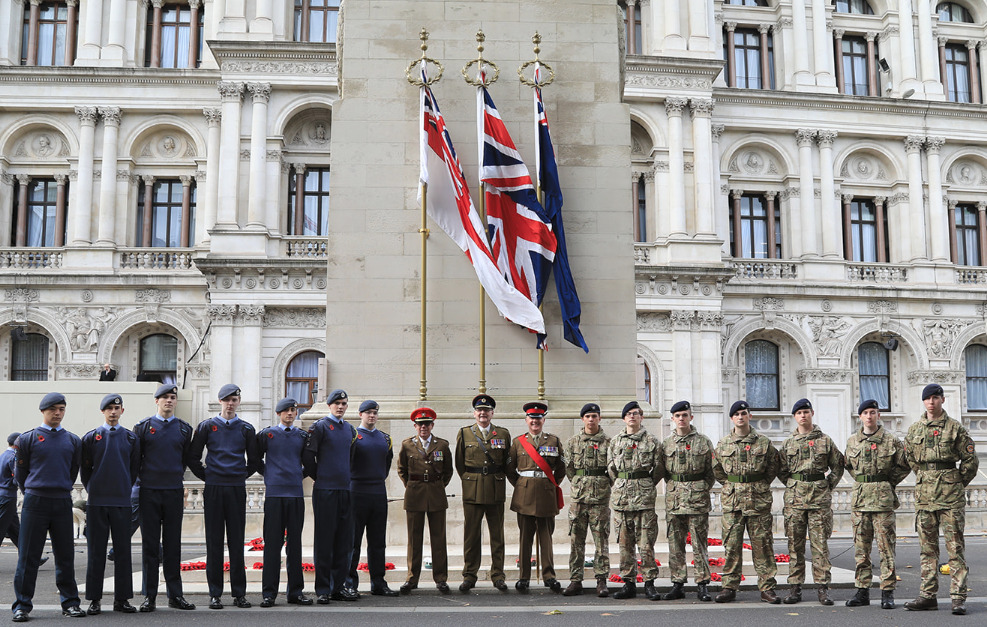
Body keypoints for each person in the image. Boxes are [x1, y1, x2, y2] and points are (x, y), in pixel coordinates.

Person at [903, 383, 979, 615]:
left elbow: (970, 461)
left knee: (955, 548)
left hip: (950, 499)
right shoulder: (915, 429)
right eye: (928, 398)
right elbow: (911, 459)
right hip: (925, 498)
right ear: (923, 402)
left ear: (942, 400)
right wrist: (927, 477)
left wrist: (955, 483)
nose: (931, 402)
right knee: (927, 550)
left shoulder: (955, 428)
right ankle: (928, 596)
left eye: (936, 398)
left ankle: (958, 597)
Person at [11, 392, 85, 622]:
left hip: (62, 501)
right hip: (35, 502)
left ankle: (70, 603)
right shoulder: (28, 439)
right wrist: (34, 491)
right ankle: (22, 605)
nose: (58, 413)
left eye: (61, 409)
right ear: (43, 411)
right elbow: (21, 475)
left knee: (65, 556)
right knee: (28, 556)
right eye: (53, 409)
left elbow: (72, 471)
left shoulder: (73, 440)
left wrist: (60, 488)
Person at [189, 384, 259, 610]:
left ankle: (239, 594)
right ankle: (215, 594)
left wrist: (239, 475)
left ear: (239, 402)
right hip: (214, 488)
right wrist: (209, 476)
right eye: (226, 399)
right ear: (220, 402)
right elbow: (193, 457)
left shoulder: (246, 429)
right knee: (214, 542)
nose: (230, 403)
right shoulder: (207, 427)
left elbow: (255, 460)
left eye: (234, 399)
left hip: (236, 488)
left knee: (237, 542)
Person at [133, 383, 196, 612]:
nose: (169, 400)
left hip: (173, 492)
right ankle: (149, 596)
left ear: (176, 401)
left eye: (172, 397)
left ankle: (175, 595)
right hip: (149, 492)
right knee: (150, 546)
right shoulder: (143, 427)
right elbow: (135, 460)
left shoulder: (184, 429)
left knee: (173, 546)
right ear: (156, 401)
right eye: (164, 397)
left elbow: (185, 460)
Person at [776, 398, 845, 605]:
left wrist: (827, 485)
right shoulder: (788, 443)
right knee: (794, 545)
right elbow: (781, 469)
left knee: (820, 545)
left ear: (812, 413)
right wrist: (793, 485)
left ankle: (823, 588)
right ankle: (795, 588)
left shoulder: (825, 440)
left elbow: (838, 465)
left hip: (819, 500)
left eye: (806, 412)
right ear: (795, 417)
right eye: (799, 413)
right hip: (795, 500)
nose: (803, 415)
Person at [712, 400, 781, 604]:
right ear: (732, 418)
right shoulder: (723, 444)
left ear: (750, 416)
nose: (740, 417)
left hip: (758, 501)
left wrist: (755, 484)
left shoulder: (763, 443)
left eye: (744, 413)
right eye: (736, 414)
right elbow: (717, 470)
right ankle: (729, 587)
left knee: (763, 545)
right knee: (732, 545)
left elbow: (772, 468)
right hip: (732, 502)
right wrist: (733, 485)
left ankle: (767, 588)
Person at [844, 399, 910, 610]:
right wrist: (864, 480)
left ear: (878, 415)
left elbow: (904, 465)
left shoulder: (891, 440)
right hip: (861, 501)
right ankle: (862, 591)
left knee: (886, 549)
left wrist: (887, 481)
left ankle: (887, 592)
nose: (870, 416)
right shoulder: (853, 441)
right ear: (860, 417)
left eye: (873, 412)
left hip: (882, 502)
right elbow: (849, 466)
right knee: (861, 550)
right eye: (866, 413)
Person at [80, 394, 141, 614]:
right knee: (96, 551)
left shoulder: (132, 439)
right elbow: (85, 470)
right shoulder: (90, 438)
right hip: (97, 502)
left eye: (117, 408)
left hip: (122, 502)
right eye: (109, 408)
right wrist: (94, 489)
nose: (113, 412)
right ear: (103, 412)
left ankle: (122, 599)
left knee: (123, 552)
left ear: (122, 411)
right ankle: (94, 599)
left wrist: (124, 488)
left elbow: (134, 469)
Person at [256, 398, 314, 607]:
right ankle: (269, 594)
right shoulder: (266, 435)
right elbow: (255, 459)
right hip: (274, 496)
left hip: (295, 496)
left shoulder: (301, 436)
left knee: (295, 545)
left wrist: (298, 476)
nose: (290, 414)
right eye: (287, 411)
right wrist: (270, 475)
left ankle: (295, 592)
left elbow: (309, 464)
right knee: (272, 545)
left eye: (293, 410)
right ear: (278, 413)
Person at [303, 389, 358, 604]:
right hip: (325, 490)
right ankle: (323, 589)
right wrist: (321, 476)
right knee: (325, 540)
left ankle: (338, 587)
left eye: (344, 403)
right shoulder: (320, 427)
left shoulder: (350, 430)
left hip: (345, 490)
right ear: (329, 405)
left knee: (343, 542)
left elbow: (350, 458)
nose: (341, 406)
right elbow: (309, 457)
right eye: (337, 403)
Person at [657, 400, 715, 602]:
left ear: (691, 417)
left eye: (684, 415)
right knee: (675, 544)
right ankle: (678, 584)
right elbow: (663, 472)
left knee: (699, 544)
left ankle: (702, 584)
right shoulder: (666, 444)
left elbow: (711, 472)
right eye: (677, 416)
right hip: (674, 501)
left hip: (697, 500)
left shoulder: (703, 442)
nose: (681, 419)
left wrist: (698, 489)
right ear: (672, 419)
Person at [506, 402, 566, 592]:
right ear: (526, 420)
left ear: (543, 420)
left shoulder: (553, 441)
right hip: (524, 495)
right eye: (532, 418)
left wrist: (550, 484)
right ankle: (524, 577)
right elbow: (509, 469)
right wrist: (522, 485)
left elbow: (561, 468)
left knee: (546, 537)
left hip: (546, 494)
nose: (535, 421)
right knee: (525, 538)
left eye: (538, 418)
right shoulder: (518, 442)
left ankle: (549, 576)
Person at [607, 400, 662, 601]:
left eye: (636, 413)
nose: (632, 416)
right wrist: (625, 484)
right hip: (621, 499)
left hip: (645, 499)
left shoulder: (652, 441)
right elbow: (611, 469)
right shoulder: (615, 442)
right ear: (624, 418)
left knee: (646, 544)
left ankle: (649, 584)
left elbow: (658, 470)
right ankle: (628, 584)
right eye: (628, 413)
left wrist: (642, 484)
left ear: (641, 417)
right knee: (625, 544)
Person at [455, 394, 511, 592]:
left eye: (486, 411)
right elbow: (460, 464)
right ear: (474, 413)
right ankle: (469, 575)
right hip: (472, 489)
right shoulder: (464, 433)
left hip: (495, 489)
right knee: (471, 535)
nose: (483, 413)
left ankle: (498, 575)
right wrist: (472, 480)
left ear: (492, 413)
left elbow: (506, 463)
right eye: (479, 410)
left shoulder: (503, 434)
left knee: (497, 535)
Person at [398, 407, 453, 593]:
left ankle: (441, 579)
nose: (424, 427)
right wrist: (412, 485)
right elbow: (402, 470)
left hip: (436, 495)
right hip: (415, 495)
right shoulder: (407, 445)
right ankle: (412, 579)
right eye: (420, 424)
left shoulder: (442, 445)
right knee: (414, 539)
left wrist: (437, 486)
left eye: (427, 424)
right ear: (415, 426)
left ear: (432, 425)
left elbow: (448, 471)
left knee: (439, 538)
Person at [347, 400, 398, 597]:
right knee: (353, 541)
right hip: (356, 492)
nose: (372, 416)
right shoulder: (353, 437)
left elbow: (386, 466)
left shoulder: (385, 439)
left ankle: (378, 582)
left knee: (377, 542)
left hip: (378, 492)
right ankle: (350, 583)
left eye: (375, 412)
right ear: (360, 414)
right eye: (368, 412)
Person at [562, 403, 612, 597]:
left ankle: (601, 580)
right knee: (577, 541)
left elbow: (613, 471)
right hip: (578, 499)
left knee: (601, 541)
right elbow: (569, 470)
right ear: (582, 419)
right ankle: (576, 580)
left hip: (600, 499)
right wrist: (581, 484)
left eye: (594, 416)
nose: (591, 419)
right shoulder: (573, 442)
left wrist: (600, 484)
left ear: (599, 418)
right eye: (588, 416)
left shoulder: (608, 442)